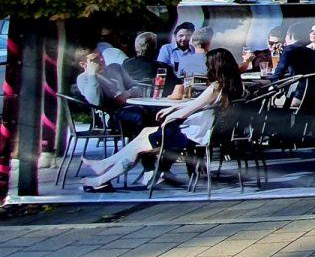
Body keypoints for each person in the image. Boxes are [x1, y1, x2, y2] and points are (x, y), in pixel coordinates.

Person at [80, 49, 243, 191]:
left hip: (193, 135)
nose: (206, 67)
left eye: (208, 64)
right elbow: (195, 104)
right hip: (207, 131)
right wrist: (172, 108)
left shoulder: (214, 87)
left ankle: (101, 179)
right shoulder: (232, 86)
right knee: (144, 133)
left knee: (139, 146)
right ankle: (104, 166)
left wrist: (168, 118)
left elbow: (187, 111)